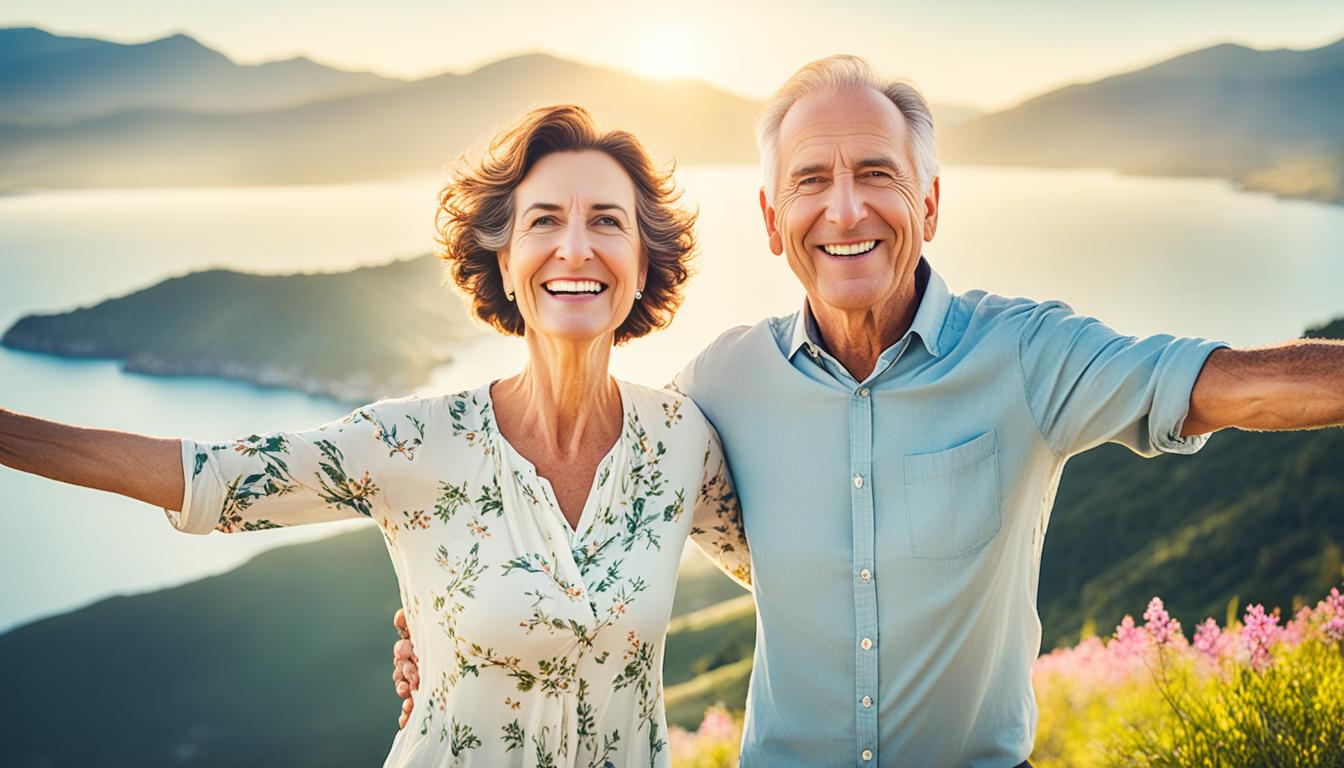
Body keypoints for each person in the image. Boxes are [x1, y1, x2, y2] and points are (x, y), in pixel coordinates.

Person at [393, 56, 1344, 767]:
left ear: (928, 201)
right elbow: (590, 514)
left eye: (877, 175)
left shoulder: (1028, 357)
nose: (845, 212)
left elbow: (1232, 380)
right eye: (810, 181)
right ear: (772, 222)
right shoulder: (720, 384)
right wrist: (454, 630)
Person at [0, 104, 750, 767]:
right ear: (504, 258)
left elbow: (795, 576)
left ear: (645, 259)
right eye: (544, 220)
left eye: (607, 221)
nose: (576, 248)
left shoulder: (681, 441)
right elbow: (215, 479)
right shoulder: (415, 442)